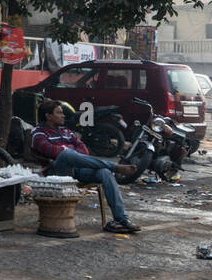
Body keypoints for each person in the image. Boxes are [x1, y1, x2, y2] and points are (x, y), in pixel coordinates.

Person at [32, 99, 141, 234]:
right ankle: (115, 167)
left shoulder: (66, 131)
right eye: (59, 113)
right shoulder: (38, 133)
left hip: (77, 170)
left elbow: (84, 150)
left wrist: (72, 153)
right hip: (56, 173)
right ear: (48, 116)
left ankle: (121, 219)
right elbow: (54, 153)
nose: (63, 115)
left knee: (104, 172)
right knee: (66, 155)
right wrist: (70, 151)